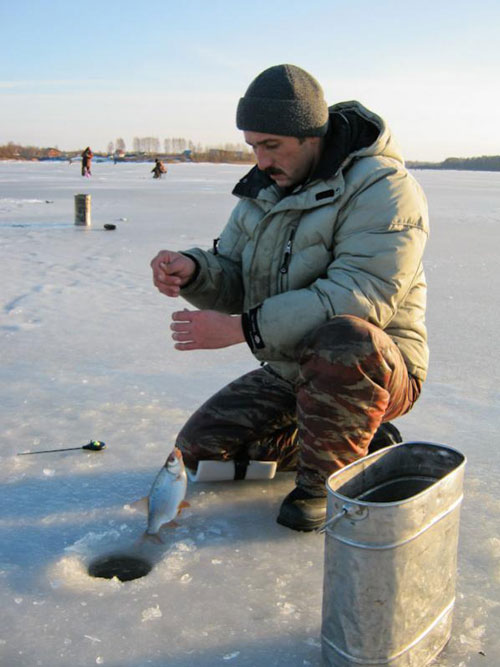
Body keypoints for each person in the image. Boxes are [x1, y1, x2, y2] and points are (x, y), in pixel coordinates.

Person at [150, 64, 429, 532]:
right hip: (291, 366)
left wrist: (245, 328)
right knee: (200, 451)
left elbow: (357, 296)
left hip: (372, 369)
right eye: (253, 146)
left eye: (271, 145)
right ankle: (359, 439)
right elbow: (237, 273)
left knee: (346, 337)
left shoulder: (383, 189)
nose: (260, 161)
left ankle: (324, 484)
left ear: (310, 134)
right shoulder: (264, 189)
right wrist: (195, 271)